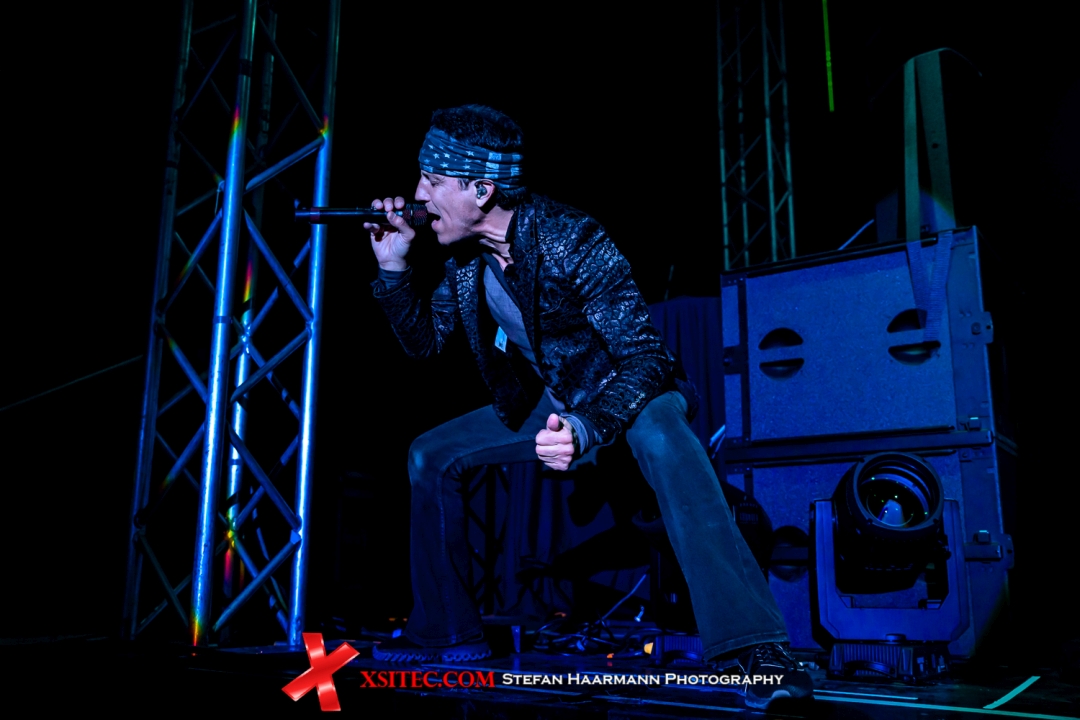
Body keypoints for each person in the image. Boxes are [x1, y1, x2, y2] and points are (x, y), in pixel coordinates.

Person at [364, 104, 812, 708]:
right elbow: (425, 344)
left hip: (628, 390)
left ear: (481, 189)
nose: (418, 194)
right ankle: (447, 630)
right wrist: (393, 269)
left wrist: (585, 425)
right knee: (430, 454)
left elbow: (646, 358)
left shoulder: (571, 237)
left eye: (432, 179)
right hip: (553, 397)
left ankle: (755, 649)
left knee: (662, 436)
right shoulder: (465, 260)